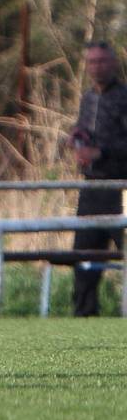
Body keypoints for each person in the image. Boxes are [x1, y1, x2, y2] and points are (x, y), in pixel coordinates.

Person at [66, 41, 127, 316]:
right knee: (84, 256)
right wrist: (77, 141)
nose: (96, 67)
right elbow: (84, 131)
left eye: (102, 61)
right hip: (90, 189)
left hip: (120, 188)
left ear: (113, 63)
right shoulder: (88, 98)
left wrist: (102, 152)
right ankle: (84, 317)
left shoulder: (123, 97)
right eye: (92, 62)